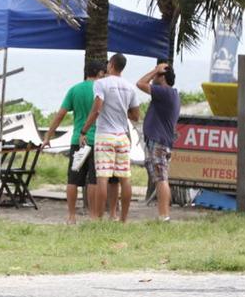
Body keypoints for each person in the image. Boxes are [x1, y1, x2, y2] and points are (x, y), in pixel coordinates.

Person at [42, 60, 105, 223]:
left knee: (73, 179)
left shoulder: (74, 90)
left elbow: (60, 114)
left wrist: (48, 136)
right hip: (96, 140)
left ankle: (71, 216)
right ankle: (92, 215)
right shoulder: (101, 91)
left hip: (77, 140)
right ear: (99, 73)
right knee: (93, 180)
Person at [79, 53, 141, 222]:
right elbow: (135, 116)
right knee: (125, 178)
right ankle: (123, 219)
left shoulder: (101, 84)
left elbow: (97, 109)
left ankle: (98, 218)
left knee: (103, 179)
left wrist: (84, 131)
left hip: (105, 135)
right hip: (122, 136)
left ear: (111, 65)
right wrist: (121, 109)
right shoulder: (130, 87)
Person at [137, 63, 181, 221]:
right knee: (160, 177)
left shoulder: (164, 92)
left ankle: (164, 215)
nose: (153, 77)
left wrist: (155, 70)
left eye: (156, 75)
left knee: (161, 178)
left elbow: (140, 83)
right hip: (161, 141)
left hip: (158, 142)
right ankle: (164, 214)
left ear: (162, 77)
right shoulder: (171, 94)